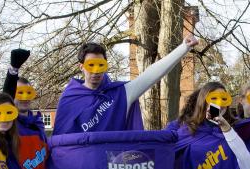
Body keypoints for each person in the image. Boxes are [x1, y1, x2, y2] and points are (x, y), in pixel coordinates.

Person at [53, 34, 199, 135]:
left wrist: (183, 48)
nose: (96, 71)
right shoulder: (69, 98)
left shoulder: (121, 93)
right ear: (81, 67)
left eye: (100, 65)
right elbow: (60, 139)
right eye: (91, 65)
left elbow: (151, 74)